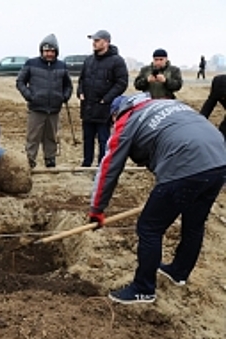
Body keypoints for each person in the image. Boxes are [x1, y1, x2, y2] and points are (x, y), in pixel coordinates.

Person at [89, 93, 226, 304]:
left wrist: (97, 209)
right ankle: (179, 272)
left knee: (149, 227)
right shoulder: (168, 103)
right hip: (219, 160)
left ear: (116, 115)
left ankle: (143, 289)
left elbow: (109, 168)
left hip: (185, 164)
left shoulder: (126, 121)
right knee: (194, 223)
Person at [17, 33, 73, 168]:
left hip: (54, 108)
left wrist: (64, 96)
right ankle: (30, 160)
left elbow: (68, 85)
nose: (49, 53)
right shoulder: (31, 63)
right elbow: (20, 82)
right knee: (33, 136)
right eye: (46, 50)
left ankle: (50, 159)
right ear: (41, 50)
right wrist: (29, 96)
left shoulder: (62, 66)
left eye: (52, 51)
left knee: (51, 136)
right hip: (36, 107)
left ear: (56, 52)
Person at [77, 30, 128, 167]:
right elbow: (82, 79)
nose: (94, 43)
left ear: (106, 42)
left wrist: (107, 99)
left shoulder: (117, 61)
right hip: (87, 106)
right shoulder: (88, 60)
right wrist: (80, 92)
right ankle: (86, 163)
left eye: (97, 40)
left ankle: (102, 166)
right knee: (87, 138)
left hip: (104, 108)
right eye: (93, 40)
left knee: (103, 139)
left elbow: (121, 83)